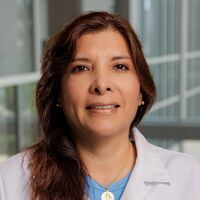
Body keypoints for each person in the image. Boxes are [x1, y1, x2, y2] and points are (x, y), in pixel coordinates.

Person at [0, 11, 200, 200]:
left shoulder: (189, 176)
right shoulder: (9, 181)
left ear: (141, 91)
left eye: (120, 66)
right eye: (81, 68)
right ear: (58, 92)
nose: (102, 85)